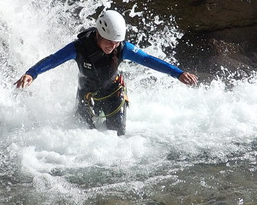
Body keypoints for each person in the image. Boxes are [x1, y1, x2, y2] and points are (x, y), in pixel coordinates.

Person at [14, 9, 198, 136]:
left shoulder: (122, 47)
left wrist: (178, 73)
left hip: (113, 93)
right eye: (109, 42)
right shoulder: (79, 48)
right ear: (99, 34)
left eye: (116, 42)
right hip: (86, 95)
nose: (113, 46)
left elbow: (148, 60)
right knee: (85, 136)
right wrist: (32, 73)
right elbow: (53, 59)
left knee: (116, 136)